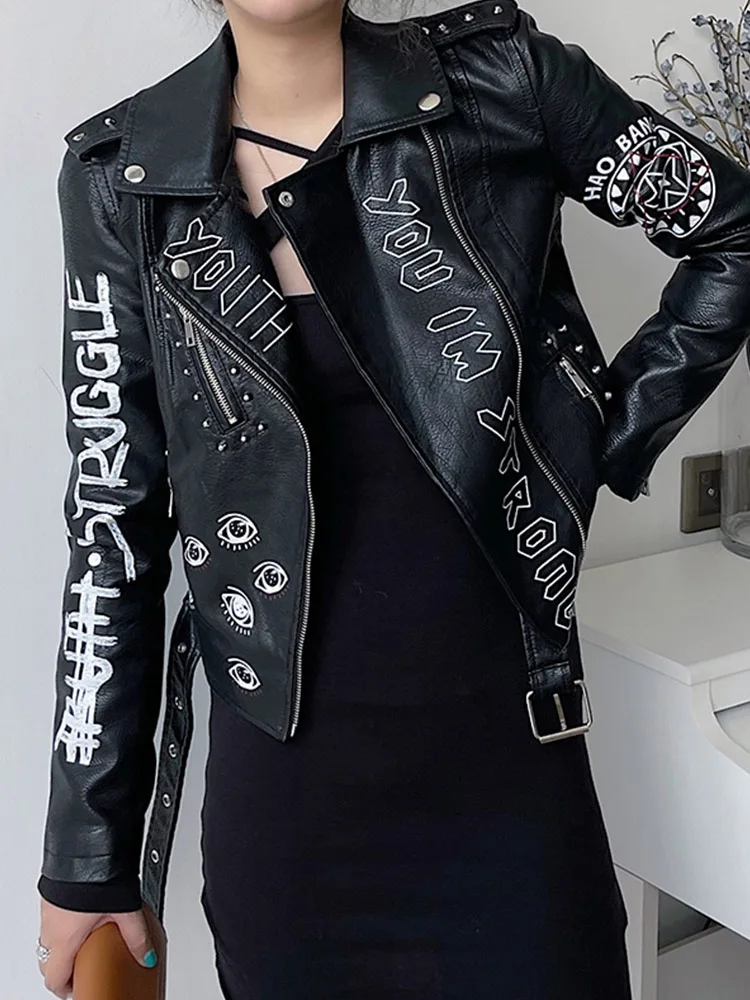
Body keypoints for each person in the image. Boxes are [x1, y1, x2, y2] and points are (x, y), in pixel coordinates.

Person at [35, 0, 750, 996]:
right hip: (290, 831)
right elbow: (112, 531)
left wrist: (600, 440)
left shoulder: (506, 84)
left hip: (510, 783)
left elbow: (735, 232)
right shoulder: (124, 175)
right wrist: (87, 852)